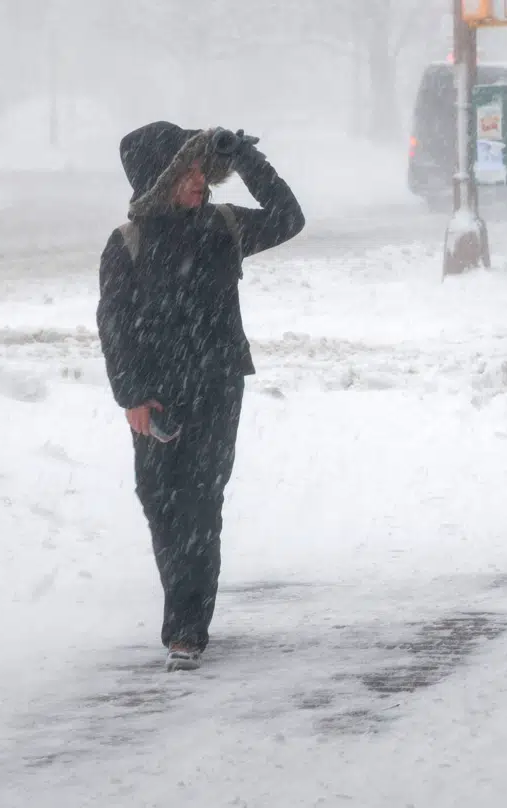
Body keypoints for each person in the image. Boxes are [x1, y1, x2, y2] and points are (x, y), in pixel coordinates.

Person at [96, 122, 305, 672]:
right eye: (186, 172)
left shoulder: (224, 226)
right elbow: (114, 326)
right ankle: (184, 611)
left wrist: (246, 160)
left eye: (201, 170)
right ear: (159, 179)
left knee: (199, 504)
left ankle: (186, 630)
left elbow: (288, 218)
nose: (199, 181)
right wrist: (132, 394)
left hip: (216, 385)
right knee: (158, 501)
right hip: (156, 397)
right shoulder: (127, 243)